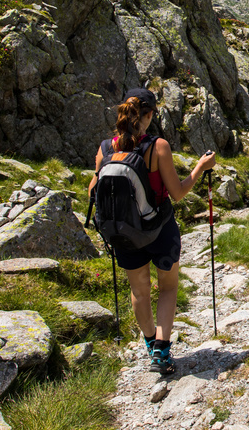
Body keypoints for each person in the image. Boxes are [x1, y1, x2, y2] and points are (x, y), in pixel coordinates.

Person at [88, 88, 216, 374]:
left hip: (124, 232)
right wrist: (200, 166)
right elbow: (178, 192)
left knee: (139, 289)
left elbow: (92, 190)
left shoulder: (106, 148)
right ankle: (162, 350)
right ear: (149, 115)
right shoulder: (157, 146)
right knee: (168, 286)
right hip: (159, 227)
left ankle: (150, 345)